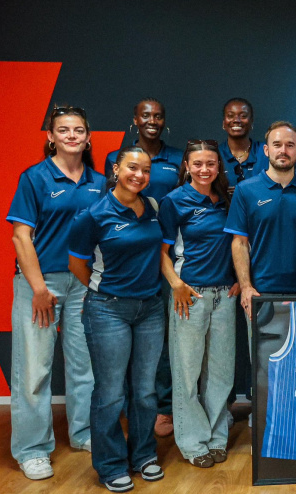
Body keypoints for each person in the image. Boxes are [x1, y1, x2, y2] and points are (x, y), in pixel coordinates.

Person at [7, 106, 104, 481]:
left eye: (78, 130)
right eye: (63, 130)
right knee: (34, 369)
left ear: (88, 137)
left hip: (82, 284)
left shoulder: (99, 182)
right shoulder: (35, 177)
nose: (71, 136)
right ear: (50, 137)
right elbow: (21, 236)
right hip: (40, 284)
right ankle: (32, 449)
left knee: (85, 365)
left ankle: (84, 432)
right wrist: (38, 289)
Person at [68, 147, 166, 493]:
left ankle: (143, 456)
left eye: (145, 170)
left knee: (145, 390)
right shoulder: (93, 215)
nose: (139, 175)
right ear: (115, 170)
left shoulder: (152, 207)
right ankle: (110, 465)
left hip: (150, 309)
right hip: (108, 310)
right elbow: (76, 264)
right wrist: (106, 291)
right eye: (132, 168)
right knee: (110, 393)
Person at [158, 140, 239, 468]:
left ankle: (216, 436)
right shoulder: (174, 201)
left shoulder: (228, 200)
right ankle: (193, 442)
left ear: (219, 166)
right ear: (187, 167)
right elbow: (161, 252)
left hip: (225, 296)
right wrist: (176, 284)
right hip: (189, 297)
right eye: (198, 164)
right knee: (187, 372)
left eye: (211, 163)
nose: (204, 169)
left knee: (221, 373)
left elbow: (238, 243)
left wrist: (239, 278)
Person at [105, 97, 183, 437]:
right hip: (126, 259)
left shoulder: (177, 158)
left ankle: (163, 408)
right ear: (135, 120)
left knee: (161, 338)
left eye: (158, 116)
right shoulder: (116, 157)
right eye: (146, 115)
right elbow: (111, 206)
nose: (152, 121)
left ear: (164, 121)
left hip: (164, 257)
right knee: (122, 338)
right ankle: (128, 406)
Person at [225, 121, 296, 319]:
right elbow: (239, 242)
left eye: (290, 145)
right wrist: (246, 286)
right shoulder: (246, 190)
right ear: (266, 150)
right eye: (277, 145)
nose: (283, 151)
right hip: (261, 292)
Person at [218, 98, 269, 190]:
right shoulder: (215, 154)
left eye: (243, 116)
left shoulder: (266, 153)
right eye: (230, 116)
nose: (236, 120)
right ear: (223, 123)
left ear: (251, 122)